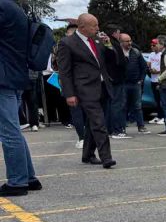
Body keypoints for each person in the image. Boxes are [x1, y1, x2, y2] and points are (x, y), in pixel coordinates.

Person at [55, 13, 116, 168]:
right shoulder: (67, 43)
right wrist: (69, 94)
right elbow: (64, 71)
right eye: (94, 26)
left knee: (92, 123)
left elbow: (111, 60)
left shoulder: (97, 40)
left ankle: (88, 154)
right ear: (82, 27)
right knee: (99, 122)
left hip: (103, 86)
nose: (98, 28)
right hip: (85, 88)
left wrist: (109, 45)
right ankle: (106, 157)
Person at [0, 0, 42, 195]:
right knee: (13, 129)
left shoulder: (2, 6)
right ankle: (29, 177)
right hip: (14, 75)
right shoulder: (14, 6)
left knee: (8, 131)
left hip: (4, 77)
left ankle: (17, 182)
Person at [101, 25, 130, 139]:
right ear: (114, 33)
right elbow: (119, 61)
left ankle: (110, 129)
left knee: (110, 105)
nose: (119, 35)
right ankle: (117, 130)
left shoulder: (105, 43)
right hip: (116, 78)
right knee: (117, 105)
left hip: (109, 78)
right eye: (118, 32)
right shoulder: (113, 44)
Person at [120, 33, 149, 134]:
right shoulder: (118, 52)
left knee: (137, 106)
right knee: (122, 106)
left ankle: (141, 126)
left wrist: (141, 79)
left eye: (130, 40)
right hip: (123, 84)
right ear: (121, 42)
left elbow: (144, 66)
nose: (129, 43)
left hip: (135, 83)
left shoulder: (136, 52)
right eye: (127, 41)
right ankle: (122, 128)